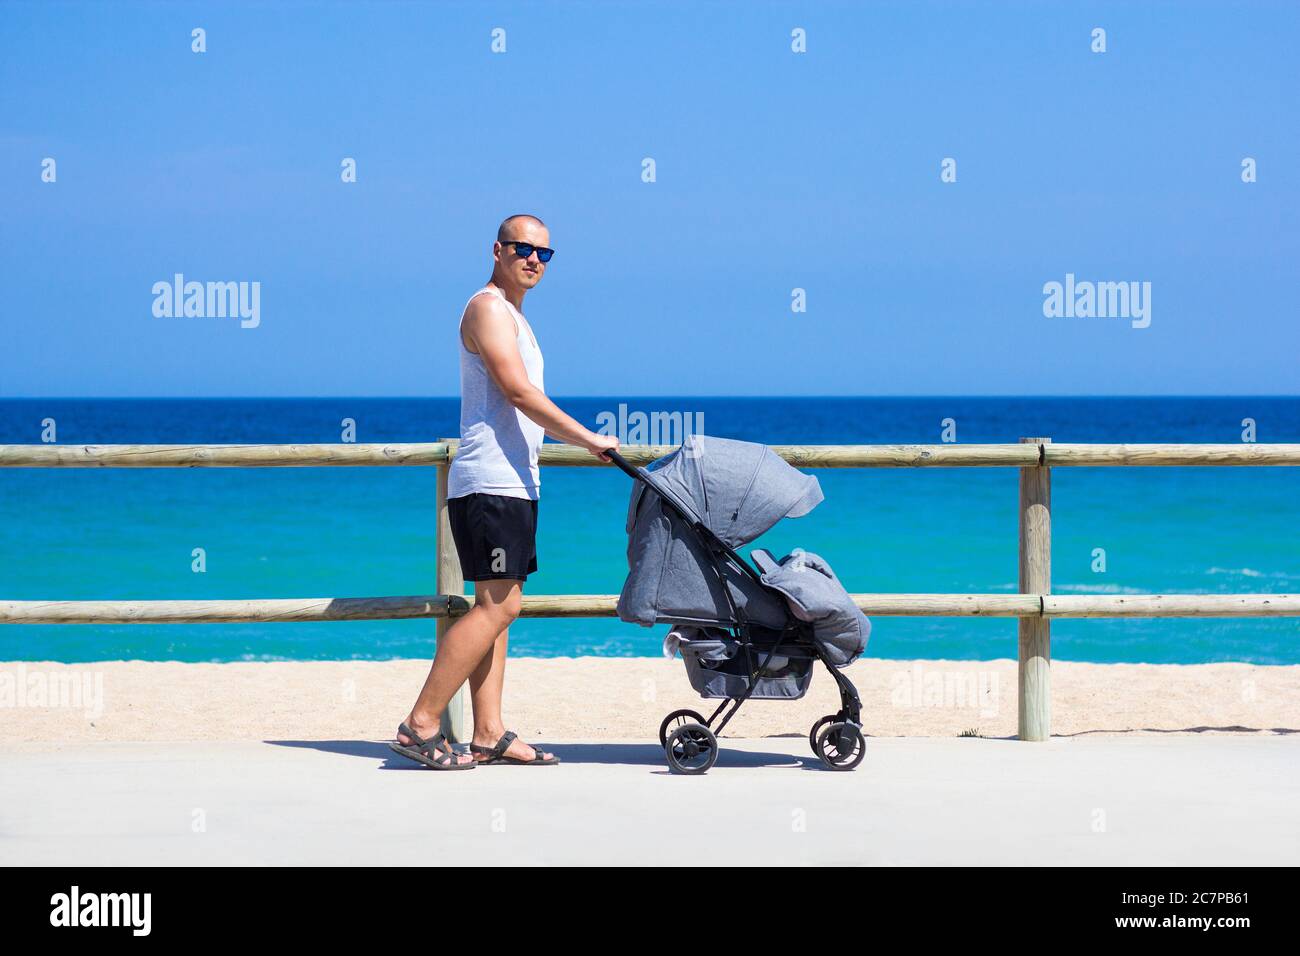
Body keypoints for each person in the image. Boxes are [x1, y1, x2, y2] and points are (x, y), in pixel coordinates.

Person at [390, 214, 619, 769]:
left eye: (544, 252)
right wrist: (589, 438)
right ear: (497, 250)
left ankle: (488, 731)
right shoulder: (487, 308)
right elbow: (516, 391)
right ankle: (420, 723)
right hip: (491, 482)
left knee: (499, 605)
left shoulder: (514, 315)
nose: (534, 259)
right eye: (522, 248)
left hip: (513, 482)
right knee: (498, 605)